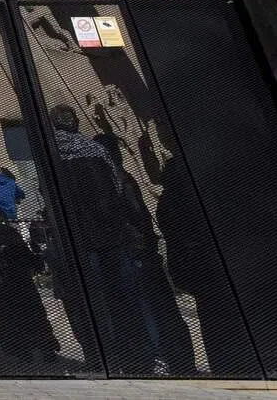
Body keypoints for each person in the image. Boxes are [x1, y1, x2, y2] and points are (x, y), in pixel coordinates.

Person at [48, 104, 151, 374]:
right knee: (124, 296)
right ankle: (138, 357)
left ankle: (101, 358)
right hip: (111, 235)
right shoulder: (96, 150)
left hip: (79, 239)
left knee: (91, 300)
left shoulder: (51, 155)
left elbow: (48, 196)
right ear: (75, 123)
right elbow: (117, 187)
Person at [95, 133, 195, 375]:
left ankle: (163, 358)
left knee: (148, 308)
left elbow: (137, 214)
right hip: (139, 250)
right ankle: (178, 361)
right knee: (159, 307)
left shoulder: (114, 180)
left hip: (134, 252)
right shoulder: (118, 178)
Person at [0, 208, 59, 363]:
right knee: (34, 316)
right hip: (21, 283)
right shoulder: (10, 234)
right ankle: (46, 348)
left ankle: (23, 351)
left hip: (2, 286)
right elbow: (26, 257)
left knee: (12, 319)